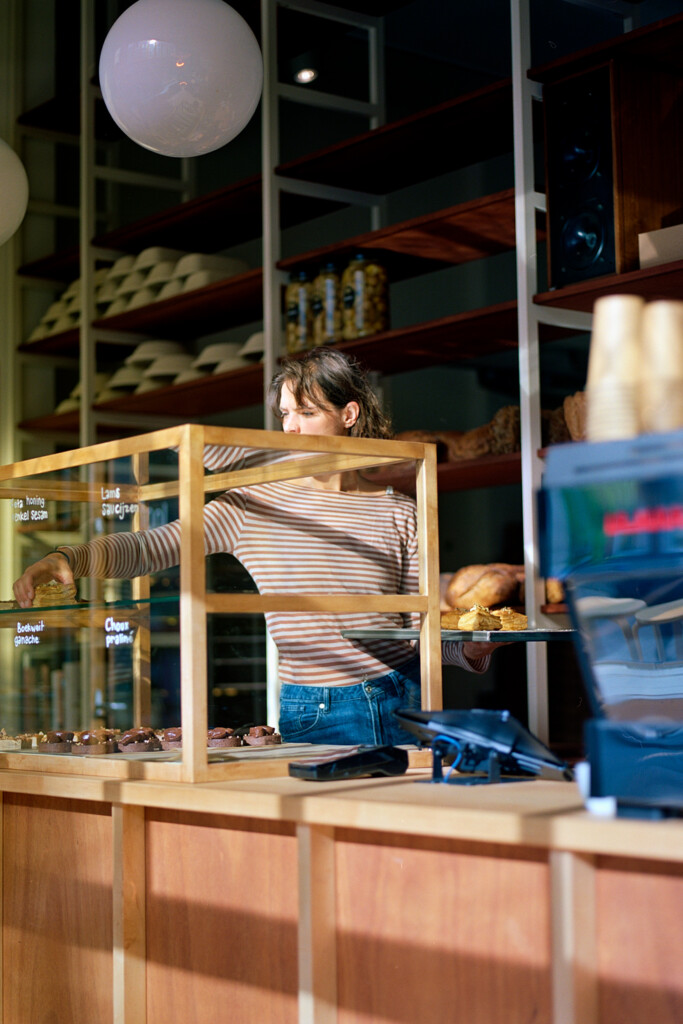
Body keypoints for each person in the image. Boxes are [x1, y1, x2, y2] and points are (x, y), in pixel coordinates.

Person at [13, 347, 501, 746]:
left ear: (349, 413)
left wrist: (470, 653)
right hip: (318, 709)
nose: (290, 426)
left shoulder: (400, 509)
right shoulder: (253, 503)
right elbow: (150, 547)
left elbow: (416, 624)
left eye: (306, 413)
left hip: (406, 696)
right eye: (285, 414)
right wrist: (68, 557)